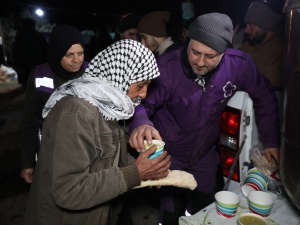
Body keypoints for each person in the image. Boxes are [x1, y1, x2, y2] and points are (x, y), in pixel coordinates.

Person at [127, 12, 281, 224]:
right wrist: (140, 123)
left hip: (205, 156)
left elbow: (264, 96)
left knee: (207, 209)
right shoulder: (166, 68)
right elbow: (140, 103)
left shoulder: (239, 65)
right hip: (171, 156)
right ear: (188, 42)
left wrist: (271, 141)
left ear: (224, 52)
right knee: (172, 211)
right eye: (195, 52)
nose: (200, 62)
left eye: (210, 56)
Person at [23, 39, 171, 225]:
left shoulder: (108, 107)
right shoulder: (76, 113)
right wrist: (137, 172)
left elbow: (111, 160)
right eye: (140, 85)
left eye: (147, 86)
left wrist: (150, 169)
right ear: (120, 77)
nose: (143, 94)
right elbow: (69, 190)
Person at [20, 24, 89, 184]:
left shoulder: (92, 72)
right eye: (69, 54)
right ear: (56, 52)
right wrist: (27, 163)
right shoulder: (39, 75)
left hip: (85, 153)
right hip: (49, 154)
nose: (76, 60)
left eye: (80, 53)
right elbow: (29, 121)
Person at [240, 1, 284, 121]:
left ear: (266, 25)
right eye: (246, 25)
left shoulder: (283, 49)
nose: (246, 30)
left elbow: (276, 78)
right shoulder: (249, 44)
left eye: (251, 25)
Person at [13, 18, 48, 89]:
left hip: (26, 68)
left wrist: (18, 65)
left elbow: (17, 53)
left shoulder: (20, 37)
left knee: (29, 88)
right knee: (42, 89)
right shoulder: (39, 37)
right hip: (40, 67)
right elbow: (47, 51)